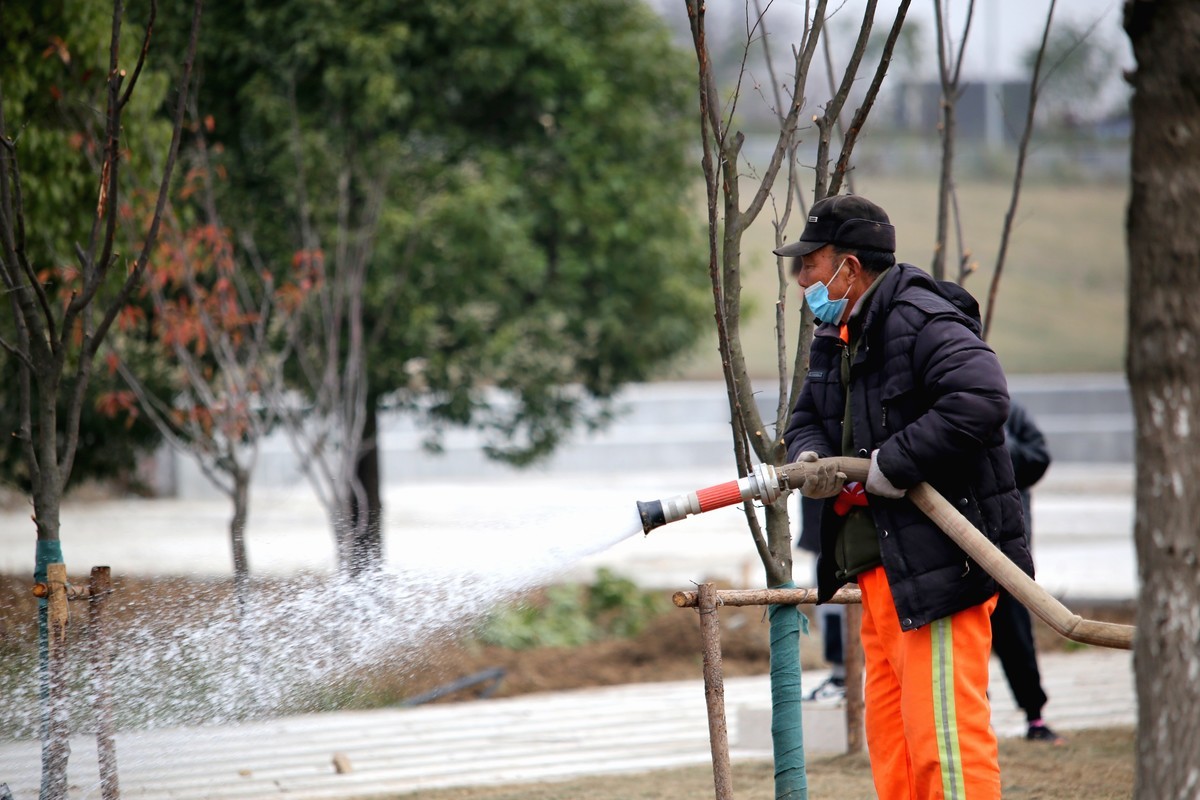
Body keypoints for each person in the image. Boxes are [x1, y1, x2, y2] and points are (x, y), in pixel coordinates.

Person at [777, 193, 1034, 800]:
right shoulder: (835, 332)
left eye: (809, 264)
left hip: (941, 569)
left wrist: (889, 464)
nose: (800, 278)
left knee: (943, 739)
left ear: (849, 266)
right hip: (881, 572)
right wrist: (810, 460)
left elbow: (980, 401)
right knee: (893, 742)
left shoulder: (921, 318)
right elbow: (805, 417)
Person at [993, 400, 1063, 743]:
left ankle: (1035, 717)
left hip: (1008, 551)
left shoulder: (1010, 411)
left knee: (1016, 636)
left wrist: (995, 439)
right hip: (956, 552)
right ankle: (975, 719)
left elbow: (1038, 458)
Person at [795, 494, 846, 701]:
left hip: (839, 528)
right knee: (829, 607)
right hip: (825, 527)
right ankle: (842, 676)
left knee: (834, 607)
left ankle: (843, 678)